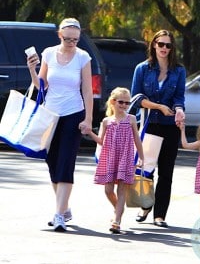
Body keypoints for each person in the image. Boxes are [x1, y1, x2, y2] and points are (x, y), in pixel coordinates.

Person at [27, 18, 93, 232]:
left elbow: (87, 91)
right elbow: (41, 86)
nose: (72, 42)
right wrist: (32, 70)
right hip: (51, 114)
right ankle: (64, 207)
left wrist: (88, 119)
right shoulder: (48, 53)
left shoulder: (83, 57)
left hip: (73, 113)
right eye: (68, 39)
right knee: (52, 161)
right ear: (59, 36)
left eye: (76, 39)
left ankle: (58, 215)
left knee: (66, 161)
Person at [131, 29, 186, 227]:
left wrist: (179, 110)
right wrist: (158, 107)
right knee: (146, 168)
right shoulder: (142, 69)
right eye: (160, 44)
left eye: (168, 45)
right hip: (149, 124)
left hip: (169, 125)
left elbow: (179, 97)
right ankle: (145, 205)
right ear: (154, 45)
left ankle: (160, 215)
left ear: (172, 48)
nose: (164, 48)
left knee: (166, 171)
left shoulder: (179, 71)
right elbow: (136, 98)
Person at [88, 87, 144, 234]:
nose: (124, 105)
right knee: (108, 190)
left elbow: (137, 140)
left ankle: (117, 220)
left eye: (127, 103)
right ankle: (118, 208)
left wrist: (141, 157)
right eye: (121, 102)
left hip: (125, 158)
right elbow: (101, 141)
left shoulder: (131, 119)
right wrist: (89, 132)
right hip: (110, 158)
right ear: (113, 102)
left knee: (121, 191)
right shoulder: (106, 121)